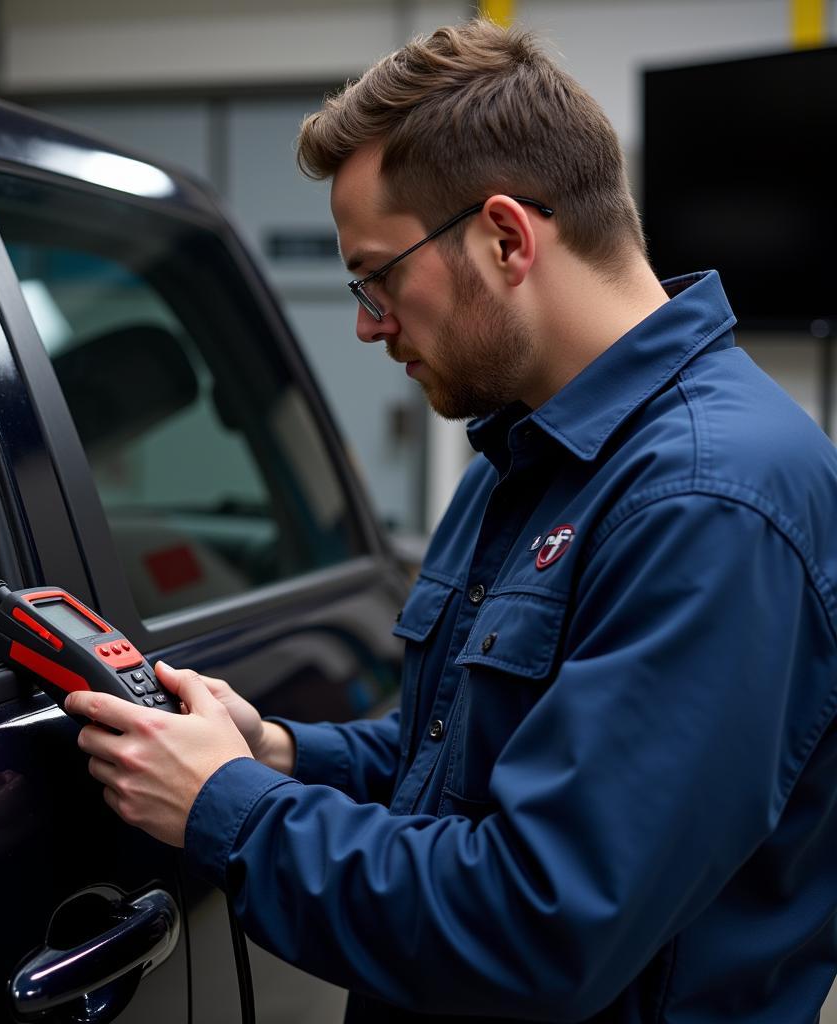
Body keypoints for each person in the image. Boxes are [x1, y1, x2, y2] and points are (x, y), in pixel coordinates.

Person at [64, 19, 837, 1022]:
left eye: (378, 275)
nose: (366, 321)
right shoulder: (525, 454)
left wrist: (229, 810)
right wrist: (286, 757)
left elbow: (539, 923)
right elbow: (472, 763)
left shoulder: (710, 502)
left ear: (506, 236)